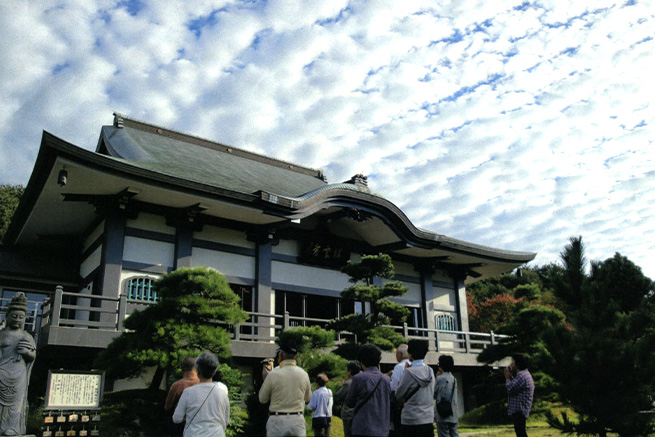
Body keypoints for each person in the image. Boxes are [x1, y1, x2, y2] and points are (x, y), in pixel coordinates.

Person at [0, 292, 37, 436]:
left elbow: (33, 356)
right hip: (2, 370)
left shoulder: (26, 336)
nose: (17, 319)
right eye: (14, 316)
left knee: (16, 403)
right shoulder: (1, 334)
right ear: (7, 317)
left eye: (21, 317)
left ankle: (13, 428)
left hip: (19, 373)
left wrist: (27, 353)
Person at [259, 340, 312, 437]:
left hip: (277, 420)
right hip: (297, 420)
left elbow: (262, 399)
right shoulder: (304, 374)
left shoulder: (273, 375)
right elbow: (308, 398)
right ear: (296, 357)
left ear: (281, 355)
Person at [173, 351, 230, 436]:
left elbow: (176, 418)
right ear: (214, 372)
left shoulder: (188, 392)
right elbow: (226, 421)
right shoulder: (222, 393)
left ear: (197, 371)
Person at [345, 343, 391, 437]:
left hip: (362, 428)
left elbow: (349, 402)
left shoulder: (359, 378)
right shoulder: (386, 380)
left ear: (362, 362)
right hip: (382, 428)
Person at [395, 339, 435, 437]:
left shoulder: (408, 372)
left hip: (411, 419)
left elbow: (398, 394)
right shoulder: (430, 371)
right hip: (428, 418)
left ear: (410, 354)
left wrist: (405, 371)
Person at [165, 356, 200, 436]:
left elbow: (167, 407)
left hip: (180, 425)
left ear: (182, 369)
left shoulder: (177, 386)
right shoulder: (204, 385)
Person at [505, 354, 534, 437]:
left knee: (521, 433)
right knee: (521, 432)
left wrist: (507, 377)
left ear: (517, 364)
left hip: (519, 409)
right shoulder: (524, 375)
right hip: (522, 408)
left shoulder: (522, 376)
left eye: (513, 362)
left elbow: (510, 389)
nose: (511, 364)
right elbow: (515, 386)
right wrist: (511, 377)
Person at [335, 360, 362, 437]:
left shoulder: (348, 383)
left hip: (348, 414)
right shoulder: (362, 381)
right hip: (360, 413)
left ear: (350, 372)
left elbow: (339, 396)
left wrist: (341, 387)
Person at [434, 355, 458, 437]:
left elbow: (434, 394)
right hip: (452, 411)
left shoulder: (440, 379)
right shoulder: (454, 379)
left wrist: (436, 377)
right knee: (454, 433)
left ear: (441, 366)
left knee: (444, 434)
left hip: (442, 411)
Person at [389, 344, 409, 436]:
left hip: (400, 405)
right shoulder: (417, 366)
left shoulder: (399, 367)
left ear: (399, 354)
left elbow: (393, 387)